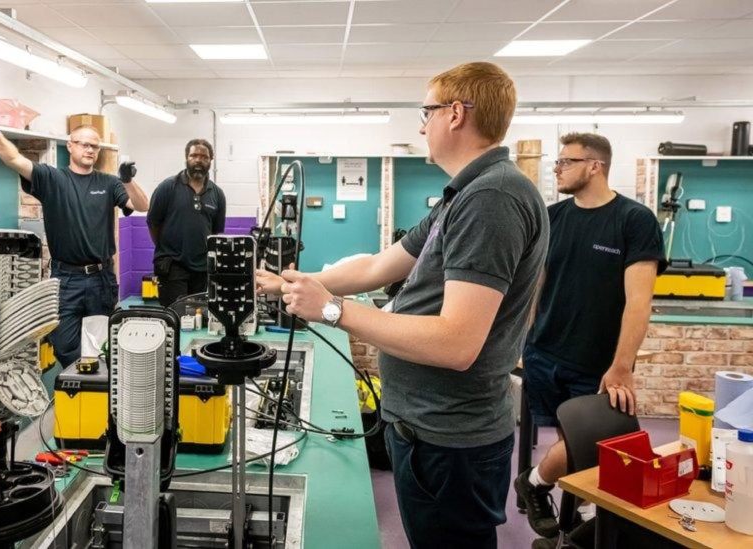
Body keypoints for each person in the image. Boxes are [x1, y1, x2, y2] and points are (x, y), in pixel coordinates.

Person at [257, 62, 549, 548]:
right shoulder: (464, 195)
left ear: (456, 114)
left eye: (427, 111)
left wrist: (331, 309)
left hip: (449, 436)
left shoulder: (492, 198)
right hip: (426, 427)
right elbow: (378, 266)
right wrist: (293, 283)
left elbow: (457, 343)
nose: (421, 124)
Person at [514, 133, 665, 540]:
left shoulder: (634, 220)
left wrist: (620, 367)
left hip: (598, 365)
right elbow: (535, 287)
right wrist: (523, 343)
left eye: (566, 162)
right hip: (545, 354)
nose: (557, 169)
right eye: (557, 162)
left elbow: (639, 301)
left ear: (594, 166)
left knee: (601, 446)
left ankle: (535, 482)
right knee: (575, 446)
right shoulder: (552, 217)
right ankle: (574, 520)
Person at [0, 112, 149, 368]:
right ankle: (77, 388)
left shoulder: (109, 183)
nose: (90, 150)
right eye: (85, 144)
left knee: (103, 346)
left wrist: (128, 180)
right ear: (71, 145)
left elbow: (142, 205)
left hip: (101, 278)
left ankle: (96, 397)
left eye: (95, 146)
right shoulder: (52, 179)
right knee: (64, 345)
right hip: (67, 279)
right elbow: (14, 159)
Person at [147, 138, 226, 307]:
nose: (198, 160)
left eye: (204, 157)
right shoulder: (167, 187)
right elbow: (153, 223)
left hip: (203, 268)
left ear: (210, 160)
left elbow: (216, 232)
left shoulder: (217, 194)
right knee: (176, 317)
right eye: (194, 155)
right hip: (172, 266)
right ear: (186, 158)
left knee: (199, 317)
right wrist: (166, 249)